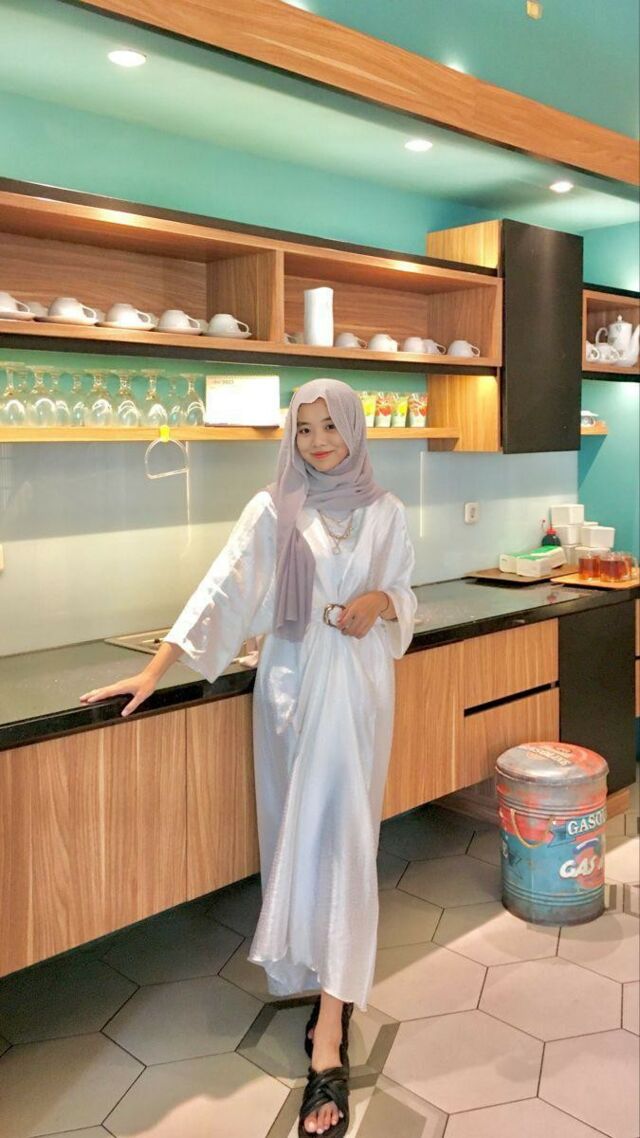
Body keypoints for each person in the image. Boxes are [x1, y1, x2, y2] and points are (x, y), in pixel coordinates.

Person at [81, 378, 416, 1137]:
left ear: (355, 429)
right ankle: (324, 984)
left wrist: (384, 603)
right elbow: (221, 595)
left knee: (348, 842)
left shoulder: (386, 511)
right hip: (292, 690)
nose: (318, 442)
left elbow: (402, 589)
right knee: (299, 836)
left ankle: (328, 1034)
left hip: (360, 691)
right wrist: (153, 671)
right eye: (304, 429)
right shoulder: (273, 509)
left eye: (331, 426)